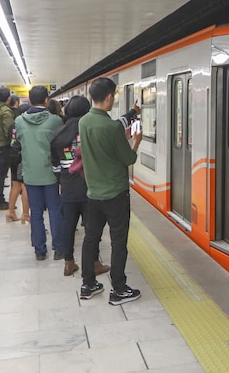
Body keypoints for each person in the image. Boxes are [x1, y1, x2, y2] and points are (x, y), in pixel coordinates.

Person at [79, 77, 142, 305]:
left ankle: (88, 285)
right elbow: (129, 158)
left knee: (91, 238)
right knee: (118, 241)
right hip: (115, 194)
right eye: (113, 96)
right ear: (108, 97)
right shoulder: (112, 127)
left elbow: (103, 142)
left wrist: (131, 113)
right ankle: (119, 289)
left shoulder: (84, 122)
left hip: (93, 193)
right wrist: (135, 141)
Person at [51, 95, 110, 277]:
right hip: (89, 186)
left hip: (68, 187)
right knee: (92, 228)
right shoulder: (89, 131)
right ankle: (94, 263)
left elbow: (56, 166)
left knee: (68, 226)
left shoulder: (58, 135)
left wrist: (62, 180)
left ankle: (69, 263)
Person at [15, 86, 64, 260]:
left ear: (29, 100)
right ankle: (59, 249)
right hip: (50, 173)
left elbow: (18, 143)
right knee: (55, 210)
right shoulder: (55, 121)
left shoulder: (19, 121)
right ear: (47, 100)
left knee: (35, 213)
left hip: (30, 174)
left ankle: (40, 251)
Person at [7, 95, 29, 223]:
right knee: (25, 186)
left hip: (12, 156)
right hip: (22, 156)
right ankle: (25, 214)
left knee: (15, 185)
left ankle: (10, 212)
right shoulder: (25, 125)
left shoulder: (12, 125)